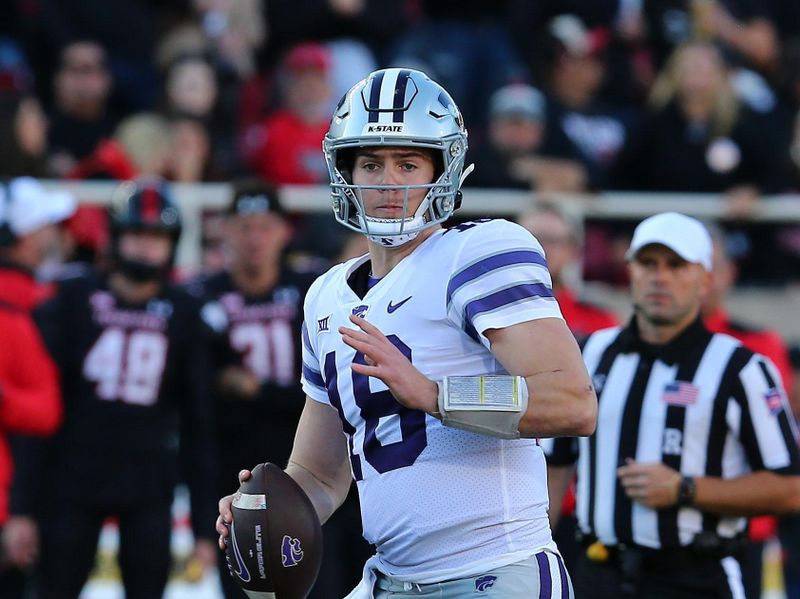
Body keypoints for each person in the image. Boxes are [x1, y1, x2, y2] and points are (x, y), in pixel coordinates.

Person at [217, 67, 597, 598]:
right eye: (371, 163)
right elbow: (321, 474)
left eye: (409, 162)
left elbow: (572, 401)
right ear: (344, 172)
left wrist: (436, 395)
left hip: (495, 569)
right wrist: (264, 508)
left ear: (444, 168)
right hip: (390, 578)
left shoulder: (480, 251)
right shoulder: (326, 296)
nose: (389, 182)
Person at [547, 212, 800, 599]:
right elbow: (557, 462)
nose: (659, 277)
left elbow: (790, 488)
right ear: (630, 271)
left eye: (676, 265)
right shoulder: (591, 351)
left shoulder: (741, 367)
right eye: (648, 263)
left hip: (695, 577)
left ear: (706, 278)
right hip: (596, 573)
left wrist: (687, 489)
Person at [16, 179, 219, 599]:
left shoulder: (185, 312)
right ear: (114, 237)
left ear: (172, 243)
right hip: (72, 477)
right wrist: (22, 509)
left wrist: (203, 527)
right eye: (136, 235)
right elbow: (40, 413)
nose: (146, 249)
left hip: (147, 482)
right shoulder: (72, 299)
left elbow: (200, 424)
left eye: (156, 237)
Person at [518, 204, 618, 574]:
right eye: (531, 239)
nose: (542, 250)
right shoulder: (473, 315)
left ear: (574, 250)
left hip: (579, 506)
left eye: (552, 240)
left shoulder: (603, 324)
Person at [702, 228, 796, 599]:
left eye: (711, 266)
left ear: (729, 273)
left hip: (744, 531)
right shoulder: (626, 347)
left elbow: (772, 444)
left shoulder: (758, 344)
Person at [0, 178, 72, 597]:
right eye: (47, 223)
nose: (57, 234)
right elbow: (45, 412)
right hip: (28, 502)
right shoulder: (36, 306)